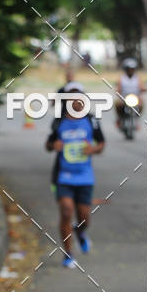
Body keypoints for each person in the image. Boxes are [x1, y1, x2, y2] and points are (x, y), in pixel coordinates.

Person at [45, 82, 105, 268]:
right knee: (66, 211)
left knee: (84, 217)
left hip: (85, 176)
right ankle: (68, 254)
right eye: (71, 99)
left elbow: (101, 144)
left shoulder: (91, 120)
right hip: (63, 176)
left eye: (79, 99)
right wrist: (53, 145)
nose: (76, 102)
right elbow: (48, 144)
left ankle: (80, 231)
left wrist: (93, 149)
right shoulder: (59, 121)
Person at [114, 57, 146, 126]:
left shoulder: (137, 78)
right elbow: (118, 88)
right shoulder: (122, 78)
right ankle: (119, 118)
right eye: (129, 69)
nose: (130, 71)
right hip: (124, 98)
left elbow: (142, 86)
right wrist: (118, 91)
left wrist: (144, 89)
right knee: (117, 104)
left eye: (132, 69)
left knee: (141, 104)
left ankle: (137, 118)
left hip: (135, 98)